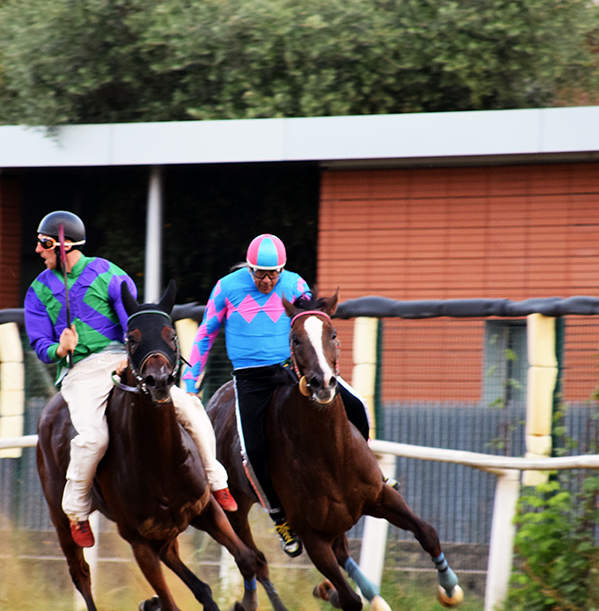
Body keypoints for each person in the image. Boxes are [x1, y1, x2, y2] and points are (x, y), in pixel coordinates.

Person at [24, 211, 237, 548]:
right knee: (93, 438)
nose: (37, 250)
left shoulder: (109, 275)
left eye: (42, 243)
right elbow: (40, 345)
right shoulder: (37, 292)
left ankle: (216, 478)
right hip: (80, 373)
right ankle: (77, 510)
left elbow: (133, 324)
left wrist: (133, 358)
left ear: (60, 245)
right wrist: (59, 348)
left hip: (122, 360)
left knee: (191, 408)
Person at [183, 234, 380, 557]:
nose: (267, 280)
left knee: (356, 406)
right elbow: (205, 333)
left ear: (283, 270)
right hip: (249, 381)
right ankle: (279, 516)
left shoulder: (295, 284)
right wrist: (191, 382)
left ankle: (372, 474)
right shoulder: (226, 288)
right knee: (254, 449)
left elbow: (315, 318)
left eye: (273, 273)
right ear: (249, 268)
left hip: (292, 371)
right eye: (260, 273)